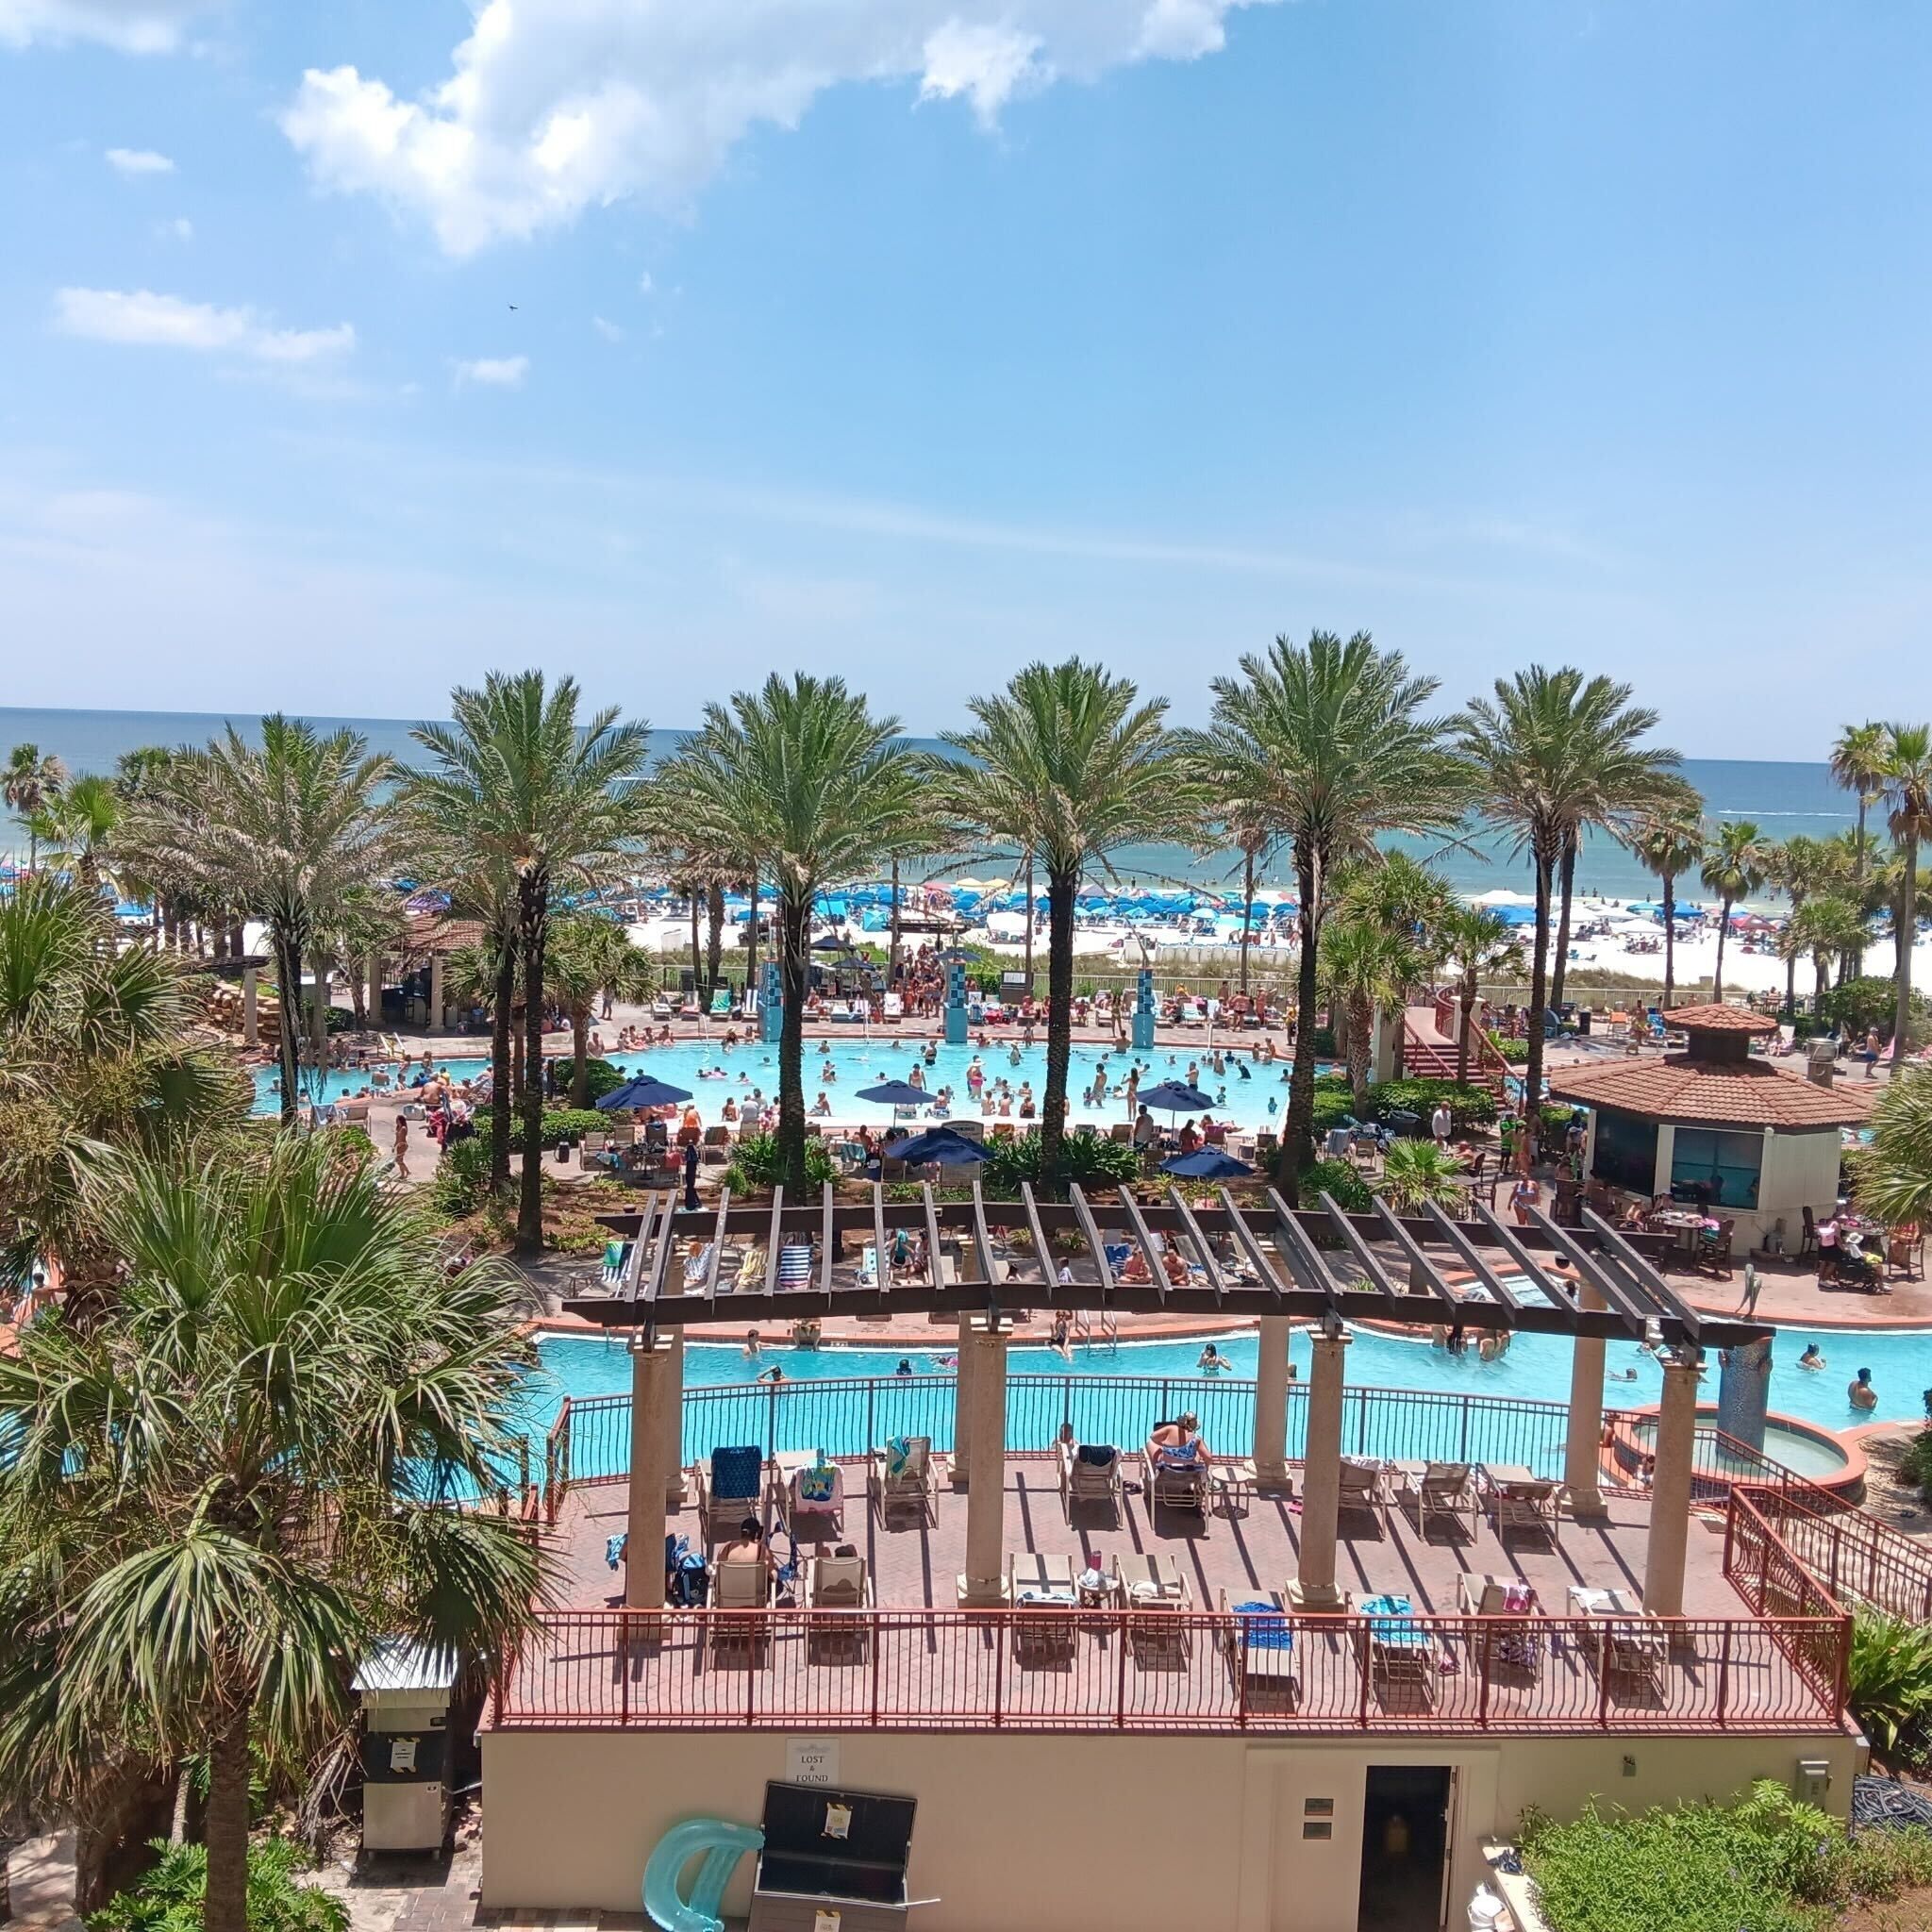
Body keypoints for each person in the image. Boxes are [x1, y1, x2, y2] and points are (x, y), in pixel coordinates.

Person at [715, 1514, 776, 1580]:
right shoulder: (762, 1550)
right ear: (757, 1534)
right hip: (754, 1589)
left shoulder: (726, 1547)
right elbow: (772, 1573)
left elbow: (719, 1570)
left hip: (728, 1589)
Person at [1147, 1411, 1211, 1468]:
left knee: (1150, 1444)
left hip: (1167, 1469)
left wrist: (1162, 1444)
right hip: (1188, 1473)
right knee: (1197, 1453)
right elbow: (1208, 1457)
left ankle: (1153, 1469)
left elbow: (1153, 1437)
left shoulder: (1171, 1429)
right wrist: (1207, 1468)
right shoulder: (1196, 1439)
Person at [392, 1113, 410, 1180]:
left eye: (397, 1120)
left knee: (398, 1160)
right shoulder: (398, 1127)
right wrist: (394, 1146)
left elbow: (401, 1138)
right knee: (400, 1160)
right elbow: (397, 1139)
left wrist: (399, 1144)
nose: (396, 1121)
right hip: (399, 1145)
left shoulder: (403, 1128)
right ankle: (403, 1174)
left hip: (403, 1145)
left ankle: (406, 1172)